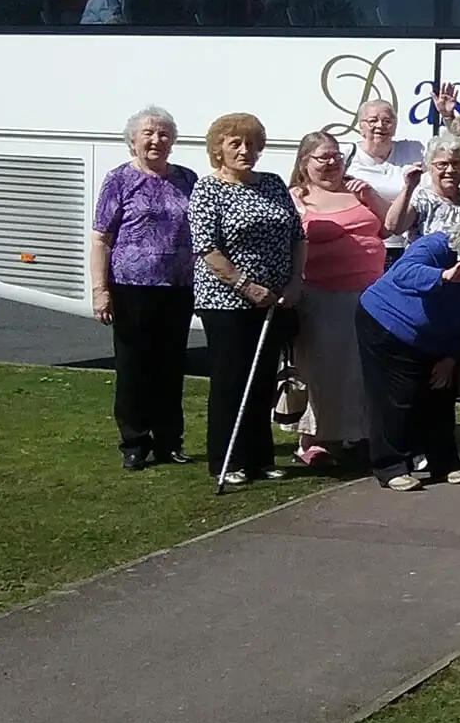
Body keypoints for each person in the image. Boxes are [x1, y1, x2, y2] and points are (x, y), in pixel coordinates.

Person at [190, 112, 305, 487]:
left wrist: (293, 282)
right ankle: (228, 458)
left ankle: (260, 456)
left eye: (252, 144)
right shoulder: (208, 189)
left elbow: (297, 236)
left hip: (274, 299)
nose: (245, 151)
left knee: (261, 380)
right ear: (218, 149)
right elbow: (207, 247)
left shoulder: (272, 184)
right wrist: (245, 285)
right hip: (226, 301)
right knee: (231, 380)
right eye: (235, 144)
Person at [356, 211, 460, 489]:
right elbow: (403, 272)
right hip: (386, 323)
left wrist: (451, 356)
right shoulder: (436, 245)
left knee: (441, 393)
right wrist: (445, 275)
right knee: (398, 397)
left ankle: (445, 462)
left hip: (437, 338)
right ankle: (391, 466)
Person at [91, 105, 198, 470]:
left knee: (171, 366)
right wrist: (99, 290)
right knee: (134, 367)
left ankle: (170, 441)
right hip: (131, 287)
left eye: (164, 134)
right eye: (149, 133)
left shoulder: (186, 179)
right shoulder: (120, 180)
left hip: (178, 287)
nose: (157, 140)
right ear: (133, 140)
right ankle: (135, 442)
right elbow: (101, 239)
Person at [286, 132, 380, 466]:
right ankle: (312, 439)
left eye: (336, 156)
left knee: (359, 368)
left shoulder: (357, 190)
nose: (332, 162)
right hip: (320, 293)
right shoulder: (296, 198)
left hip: (368, 293)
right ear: (304, 162)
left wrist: (371, 196)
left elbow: (390, 225)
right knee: (321, 367)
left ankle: (357, 434)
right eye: (323, 157)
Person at [342, 99, 421, 263]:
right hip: (362, 246)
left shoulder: (413, 150)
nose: (380, 126)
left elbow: (449, 153)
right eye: (373, 120)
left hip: (405, 247)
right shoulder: (347, 155)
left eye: (387, 121)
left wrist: (447, 117)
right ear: (360, 126)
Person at [386, 134, 460, 243]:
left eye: (456, 163)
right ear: (430, 167)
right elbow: (393, 227)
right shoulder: (421, 198)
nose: (450, 170)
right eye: (442, 164)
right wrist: (408, 187)